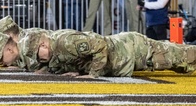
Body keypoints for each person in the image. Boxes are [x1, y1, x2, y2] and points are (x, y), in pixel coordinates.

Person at [27, 30, 196, 78]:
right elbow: (74, 59)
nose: (40, 59)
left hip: (134, 49)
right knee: (180, 60)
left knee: (183, 57)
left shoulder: (65, 42)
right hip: (127, 54)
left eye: (38, 54)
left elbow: (99, 44)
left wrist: (93, 74)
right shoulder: (56, 47)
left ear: (43, 43)